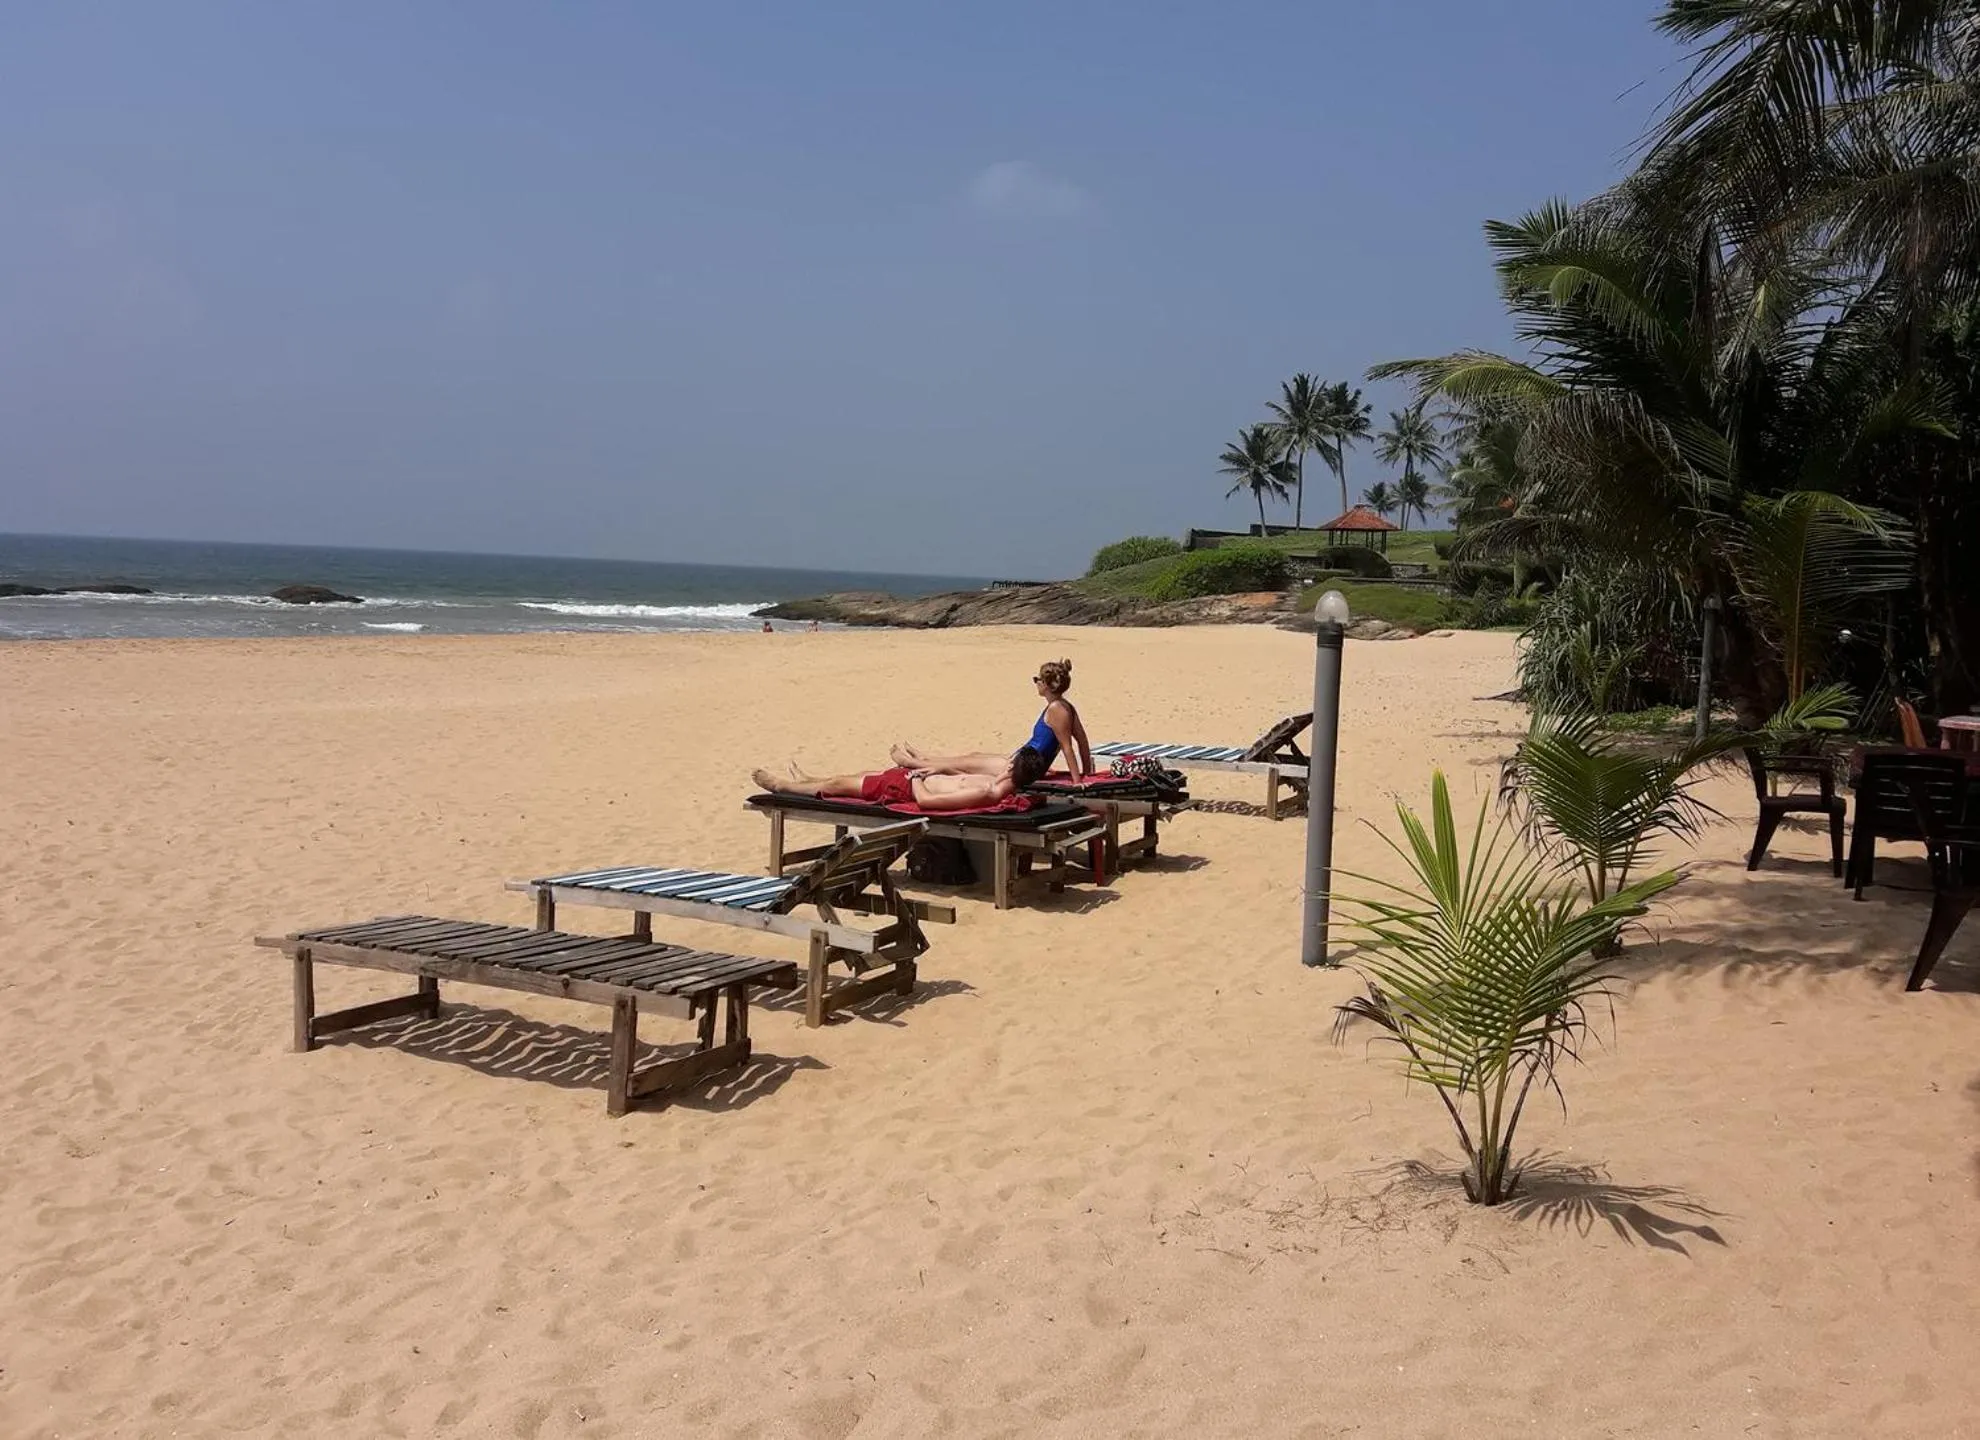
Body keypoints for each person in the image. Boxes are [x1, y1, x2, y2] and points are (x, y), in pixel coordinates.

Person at [891, 657, 1093, 781]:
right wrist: (1087, 773)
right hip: (1024, 760)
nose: (1036, 682)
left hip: (1021, 767)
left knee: (966, 766)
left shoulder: (1057, 709)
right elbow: (1082, 742)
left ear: (1048, 685)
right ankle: (924, 757)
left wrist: (1077, 781)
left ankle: (911, 762)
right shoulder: (1066, 707)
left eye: (1037, 679)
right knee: (973, 756)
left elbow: (1068, 747)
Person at [752, 744, 1048, 812]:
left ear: (1012, 768)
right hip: (911, 779)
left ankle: (783, 786)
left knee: (838, 786)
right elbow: (958, 778)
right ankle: (807, 779)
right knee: (854, 777)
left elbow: (929, 802)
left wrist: (915, 776)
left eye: (1011, 760)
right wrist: (939, 770)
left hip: (906, 788)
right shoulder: (994, 783)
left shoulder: (989, 793)